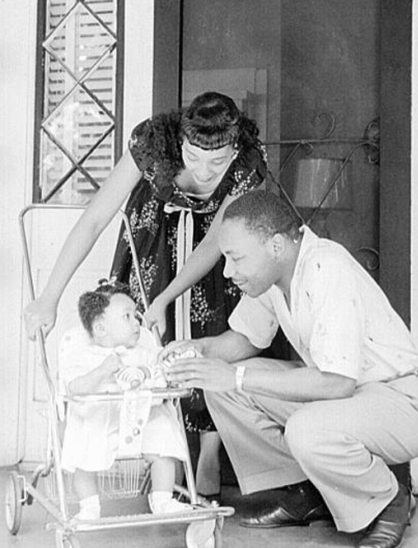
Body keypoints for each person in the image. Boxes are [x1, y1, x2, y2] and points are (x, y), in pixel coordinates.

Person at [162, 190, 418, 548]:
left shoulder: (327, 267)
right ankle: (310, 492)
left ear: (276, 245)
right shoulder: (274, 275)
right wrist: (198, 351)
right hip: (353, 399)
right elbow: (246, 338)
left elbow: (338, 383)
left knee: (301, 424)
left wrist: (233, 376)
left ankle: (389, 500)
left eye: (236, 258)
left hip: (403, 402)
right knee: (222, 386)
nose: (228, 271)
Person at [24, 92, 268, 500]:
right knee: (143, 342)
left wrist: (168, 297)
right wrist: (49, 295)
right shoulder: (154, 140)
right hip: (153, 235)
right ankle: (153, 452)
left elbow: (213, 242)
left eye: (216, 162)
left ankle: (208, 454)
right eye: (193, 156)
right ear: (181, 140)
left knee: (215, 328)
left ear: (233, 148)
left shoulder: (247, 159)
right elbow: (95, 217)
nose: (204, 172)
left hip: (213, 248)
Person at [59, 281, 191, 520]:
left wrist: (147, 373)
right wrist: (101, 371)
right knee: (84, 452)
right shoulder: (85, 356)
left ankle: (162, 499)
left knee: (163, 434)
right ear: (100, 328)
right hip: (100, 419)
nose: (137, 323)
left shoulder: (142, 352)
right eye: (127, 317)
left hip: (140, 418)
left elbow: (161, 374)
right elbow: (73, 387)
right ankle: (89, 506)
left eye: (136, 315)